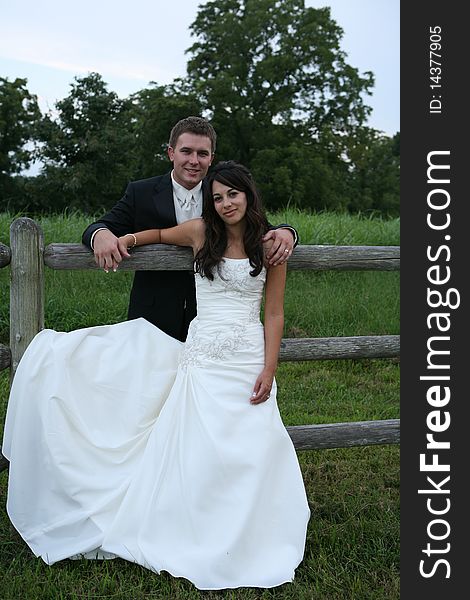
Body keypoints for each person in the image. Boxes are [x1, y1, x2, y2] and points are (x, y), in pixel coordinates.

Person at [3, 161, 310, 590]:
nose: (224, 204)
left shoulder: (270, 245)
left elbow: (274, 312)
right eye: (217, 197)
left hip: (246, 354)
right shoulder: (202, 231)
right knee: (199, 441)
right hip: (204, 354)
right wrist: (118, 238)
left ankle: (251, 530)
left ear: (248, 194)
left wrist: (269, 367)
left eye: (232, 195)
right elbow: (159, 235)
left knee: (253, 442)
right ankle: (195, 524)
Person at [82, 116, 298, 341]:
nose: (194, 160)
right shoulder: (141, 193)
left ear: (211, 158)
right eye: (186, 151)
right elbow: (98, 226)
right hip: (151, 317)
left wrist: (288, 232)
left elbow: (262, 227)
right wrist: (101, 235)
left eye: (202, 154)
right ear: (171, 153)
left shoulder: (221, 195)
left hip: (208, 322)